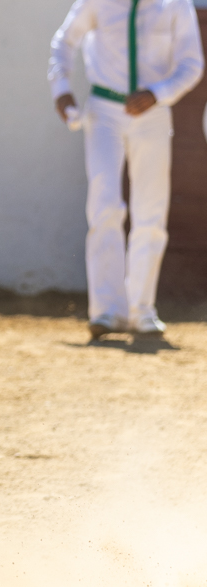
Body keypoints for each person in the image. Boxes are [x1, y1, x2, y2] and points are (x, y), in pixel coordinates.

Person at [49, 0, 203, 340]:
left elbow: (192, 64)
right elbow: (64, 41)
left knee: (151, 210)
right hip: (104, 111)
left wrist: (157, 93)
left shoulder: (174, 4)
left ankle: (141, 309)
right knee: (105, 207)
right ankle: (106, 311)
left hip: (153, 114)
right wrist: (61, 90)